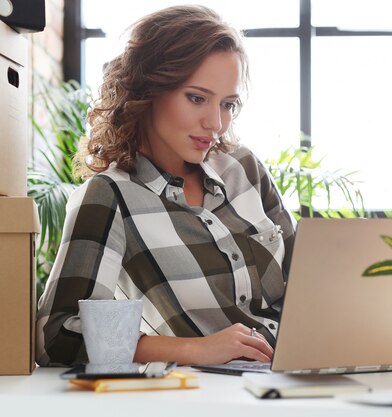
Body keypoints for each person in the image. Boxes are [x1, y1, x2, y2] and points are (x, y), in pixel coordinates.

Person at [35, 5, 296, 367]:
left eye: (228, 104)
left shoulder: (245, 168)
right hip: (210, 393)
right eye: (197, 98)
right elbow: (56, 335)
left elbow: (307, 284)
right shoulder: (110, 197)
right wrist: (197, 349)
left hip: (302, 372)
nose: (216, 123)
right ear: (149, 89)